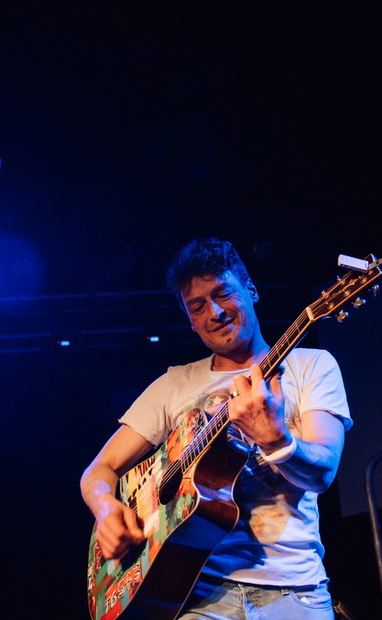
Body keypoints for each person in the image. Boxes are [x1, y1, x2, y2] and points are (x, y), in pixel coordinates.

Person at [81, 237, 352, 619]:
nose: (215, 312)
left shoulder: (311, 365)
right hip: (195, 594)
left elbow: (322, 472)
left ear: (251, 289)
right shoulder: (174, 384)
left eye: (223, 293)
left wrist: (276, 439)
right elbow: (100, 469)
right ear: (191, 322)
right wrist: (106, 507)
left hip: (295, 590)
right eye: (198, 306)